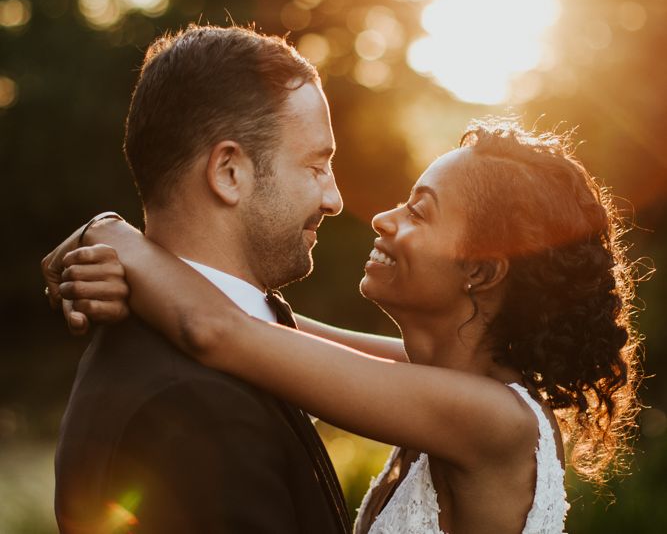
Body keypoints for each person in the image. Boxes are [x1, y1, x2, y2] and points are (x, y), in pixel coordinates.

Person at [44, 119, 642, 533]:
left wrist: (111, 233)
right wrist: (134, 275)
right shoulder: (445, 378)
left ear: (481, 271)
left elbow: (220, 330)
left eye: (419, 211)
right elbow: (274, 324)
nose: (382, 218)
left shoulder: (493, 420)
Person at [43, 24, 354, 533]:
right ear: (229, 172)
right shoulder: (194, 410)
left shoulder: (226, 348)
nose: (334, 199)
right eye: (317, 167)